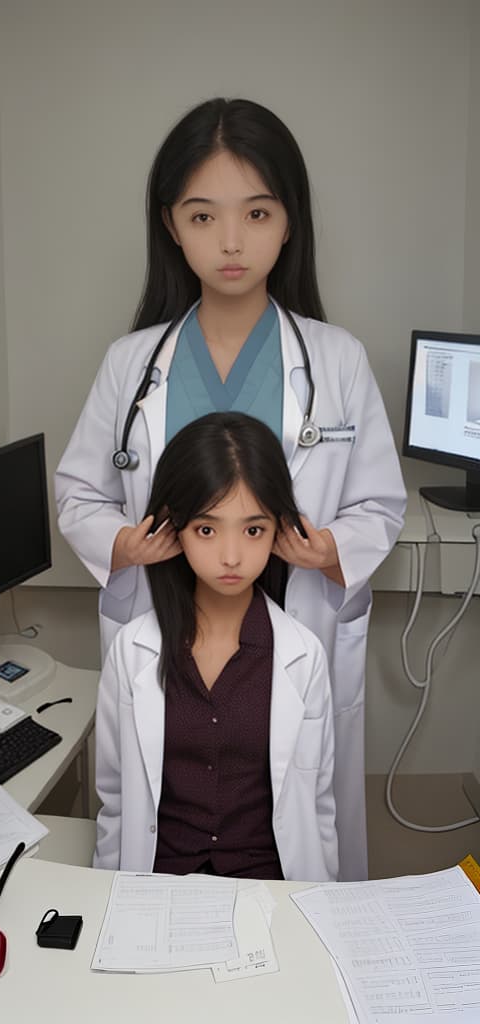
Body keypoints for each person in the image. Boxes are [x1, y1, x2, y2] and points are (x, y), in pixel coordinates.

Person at [55, 97, 406, 880]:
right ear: (172, 226)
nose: (233, 241)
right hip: (171, 628)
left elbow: (380, 504)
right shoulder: (131, 363)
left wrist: (328, 550)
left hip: (291, 632)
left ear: (290, 223)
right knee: (163, 812)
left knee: (294, 817)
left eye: (256, 212)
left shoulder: (336, 360)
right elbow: (79, 491)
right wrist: (123, 542)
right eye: (203, 216)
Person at [93, 412, 338, 881]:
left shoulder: (302, 656)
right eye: (207, 529)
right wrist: (111, 899)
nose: (231, 556)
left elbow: (319, 807)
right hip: (158, 885)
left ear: (280, 532)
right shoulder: (133, 651)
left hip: (270, 888)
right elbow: (115, 799)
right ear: (173, 529)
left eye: (253, 530)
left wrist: (320, 908)